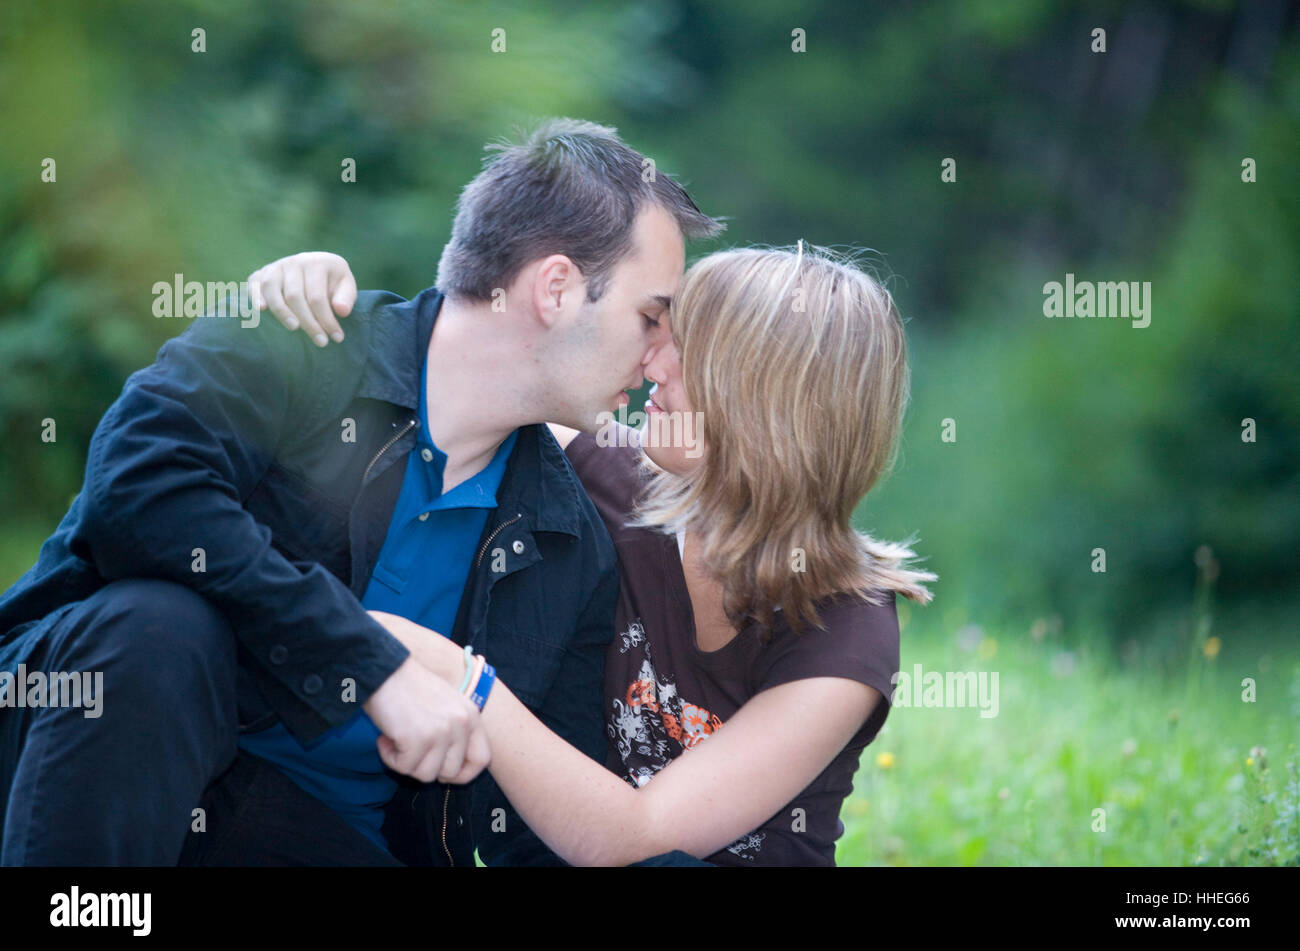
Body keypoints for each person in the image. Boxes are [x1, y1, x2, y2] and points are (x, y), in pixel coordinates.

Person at [0, 118, 722, 866]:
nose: (658, 360)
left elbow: (535, 832)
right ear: (557, 288)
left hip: (306, 839)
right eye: (650, 318)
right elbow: (137, 492)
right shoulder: (297, 337)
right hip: (84, 766)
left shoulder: (569, 544)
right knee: (160, 627)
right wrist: (372, 664)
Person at [254, 241, 936, 865]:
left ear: (770, 404)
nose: (652, 364)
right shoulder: (603, 477)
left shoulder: (846, 628)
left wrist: (460, 678)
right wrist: (331, 303)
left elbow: (635, 836)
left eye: (689, 352)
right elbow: (465, 371)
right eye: (660, 333)